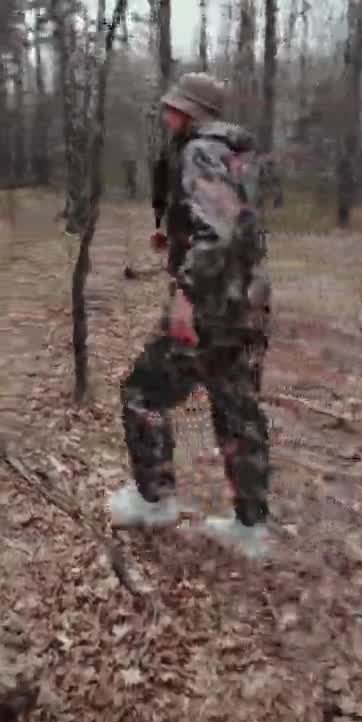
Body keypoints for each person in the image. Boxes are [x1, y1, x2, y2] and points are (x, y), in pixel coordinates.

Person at [109, 72, 272, 559]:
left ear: (191, 112)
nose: (166, 115)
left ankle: (154, 500)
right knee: (237, 409)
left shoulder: (200, 150)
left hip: (211, 305)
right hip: (248, 301)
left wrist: (185, 295)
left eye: (173, 108)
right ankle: (251, 527)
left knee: (142, 392)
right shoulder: (238, 155)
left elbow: (218, 234)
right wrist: (175, 236)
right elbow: (236, 225)